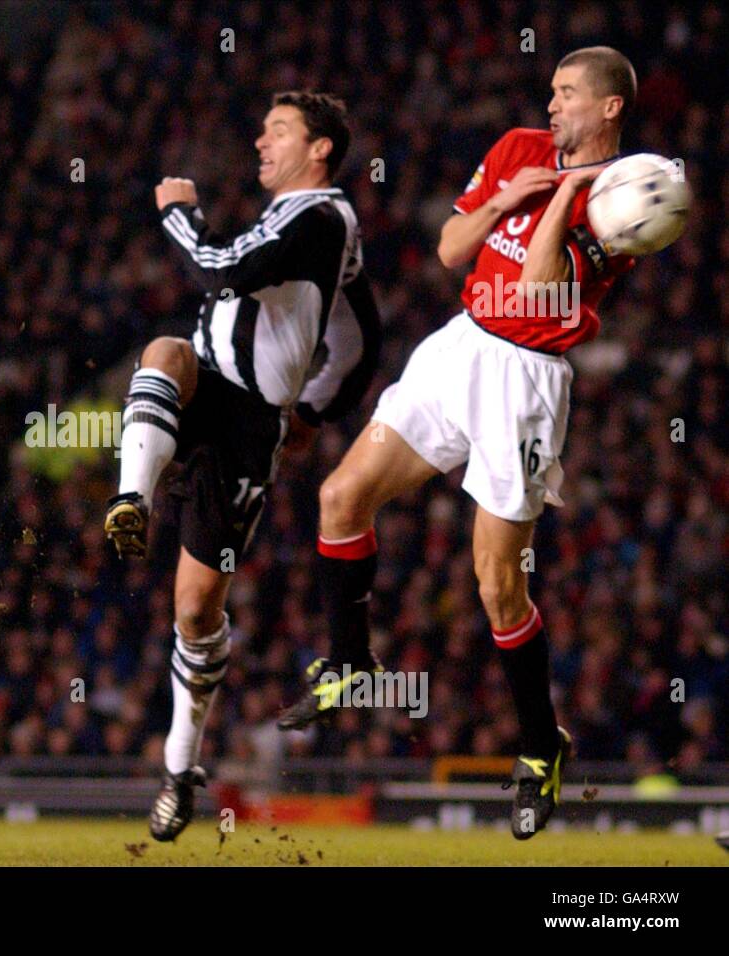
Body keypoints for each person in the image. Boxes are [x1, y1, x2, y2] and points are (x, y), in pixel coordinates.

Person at [278, 48, 641, 840]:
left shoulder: (628, 197)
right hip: (461, 345)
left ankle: (542, 747)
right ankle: (350, 661)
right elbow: (451, 250)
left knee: (496, 584)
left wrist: (561, 199)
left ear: (609, 109)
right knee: (340, 497)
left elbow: (536, 285)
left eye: (568, 94)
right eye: (550, 91)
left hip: (528, 380)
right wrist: (513, 193)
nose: (551, 105)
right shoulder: (517, 148)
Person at [105, 91, 381, 841]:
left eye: (279, 130)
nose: (261, 141)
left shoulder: (322, 220)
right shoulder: (303, 221)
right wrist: (320, 406)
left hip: (248, 426)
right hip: (205, 380)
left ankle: (179, 765)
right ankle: (130, 499)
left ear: (320, 150)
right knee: (164, 352)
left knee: (194, 611)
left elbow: (223, 266)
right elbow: (359, 339)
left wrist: (176, 213)